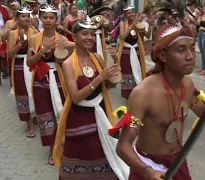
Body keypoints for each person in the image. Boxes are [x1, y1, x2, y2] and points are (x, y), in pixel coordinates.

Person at [110, 14, 205, 180]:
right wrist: (148, 171)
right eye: (181, 50)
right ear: (162, 56)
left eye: (192, 48)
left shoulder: (188, 85)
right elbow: (123, 146)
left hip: (177, 161)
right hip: (147, 166)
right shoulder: (143, 94)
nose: (190, 56)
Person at [53, 18, 123, 180]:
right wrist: (99, 78)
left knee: (106, 157)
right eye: (84, 34)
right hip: (80, 120)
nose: (90, 37)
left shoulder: (97, 57)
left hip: (101, 115)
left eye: (92, 34)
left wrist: (115, 65)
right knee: (80, 161)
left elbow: (107, 86)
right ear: (75, 37)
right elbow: (76, 97)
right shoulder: (68, 64)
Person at [26, 4, 74, 165]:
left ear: (56, 20)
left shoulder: (63, 39)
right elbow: (29, 62)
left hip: (59, 78)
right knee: (45, 116)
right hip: (40, 80)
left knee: (61, 112)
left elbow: (69, 61)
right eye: (45, 17)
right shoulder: (34, 38)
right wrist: (42, 51)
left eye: (51, 17)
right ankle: (52, 149)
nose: (47, 20)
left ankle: (65, 146)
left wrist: (65, 52)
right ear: (40, 18)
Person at [7, 6, 38, 138]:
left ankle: (36, 114)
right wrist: (20, 42)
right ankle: (28, 125)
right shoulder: (12, 33)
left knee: (36, 91)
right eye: (23, 16)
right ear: (17, 18)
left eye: (27, 16)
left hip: (33, 65)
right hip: (19, 66)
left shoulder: (35, 32)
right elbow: (9, 54)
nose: (26, 18)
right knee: (22, 94)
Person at [117, 6, 153, 99]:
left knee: (137, 70)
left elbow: (148, 36)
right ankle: (128, 95)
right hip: (125, 52)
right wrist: (132, 25)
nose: (131, 14)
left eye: (133, 12)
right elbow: (122, 37)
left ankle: (137, 92)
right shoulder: (122, 24)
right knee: (127, 72)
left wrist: (151, 25)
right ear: (125, 15)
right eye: (129, 13)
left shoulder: (139, 24)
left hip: (137, 51)